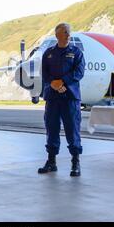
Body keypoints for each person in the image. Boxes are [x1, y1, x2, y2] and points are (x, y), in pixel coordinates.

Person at [38, 23, 85, 176]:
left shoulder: (76, 52)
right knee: (51, 128)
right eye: (65, 32)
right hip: (52, 97)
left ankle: (75, 162)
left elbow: (79, 72)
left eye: (68, 32)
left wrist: (62, 82)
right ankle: (51, 162)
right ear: (57, 35)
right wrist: (53, 83)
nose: (68, 34)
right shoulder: (49, 53)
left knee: (72, 129)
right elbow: (44, 72)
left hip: (69, 97)